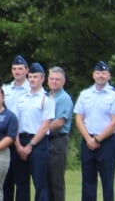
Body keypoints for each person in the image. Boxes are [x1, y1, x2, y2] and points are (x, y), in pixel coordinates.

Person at [73, 61, 115, 201]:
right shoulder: (85, 94)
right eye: (98, 73)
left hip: (107, 142)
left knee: (107, 181)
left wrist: (97, 139)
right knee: (87, 181)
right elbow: (78, 119)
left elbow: (114, 122)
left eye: (104, 73)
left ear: (109, 76)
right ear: (93, 75)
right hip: (87, 141)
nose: (101, 75)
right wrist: (89, 139)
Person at [12, 63, 53, 201]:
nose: (32, 80)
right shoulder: (21, 98)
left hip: (38, 143)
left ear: (42, 78)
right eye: (30, 77)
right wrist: (18, 146)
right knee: (21, 184)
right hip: (21, 141)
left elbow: (45, 125)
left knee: (40, 184)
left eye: (35, 77)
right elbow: (15, 123)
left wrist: (30, 146)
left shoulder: (46, 99)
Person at [2, 56, 30, 201]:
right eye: (14, 69)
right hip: (5, 139)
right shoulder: (5, 90)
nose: (17, 72)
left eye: (20, 68)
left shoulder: (32, 90)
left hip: (23, 138)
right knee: (6, 181)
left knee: (22, 181)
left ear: (27, 70)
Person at [45, 67, 72, 201]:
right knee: (46, 182)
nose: (54, 81)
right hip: (46, 141)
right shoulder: (47, 95)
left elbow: (59, 122)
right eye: (52, 78)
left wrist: (40, 131)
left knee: (56, 182)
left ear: (63, 81)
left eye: (57, 79)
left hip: (57, 142)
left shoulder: (64, 98)